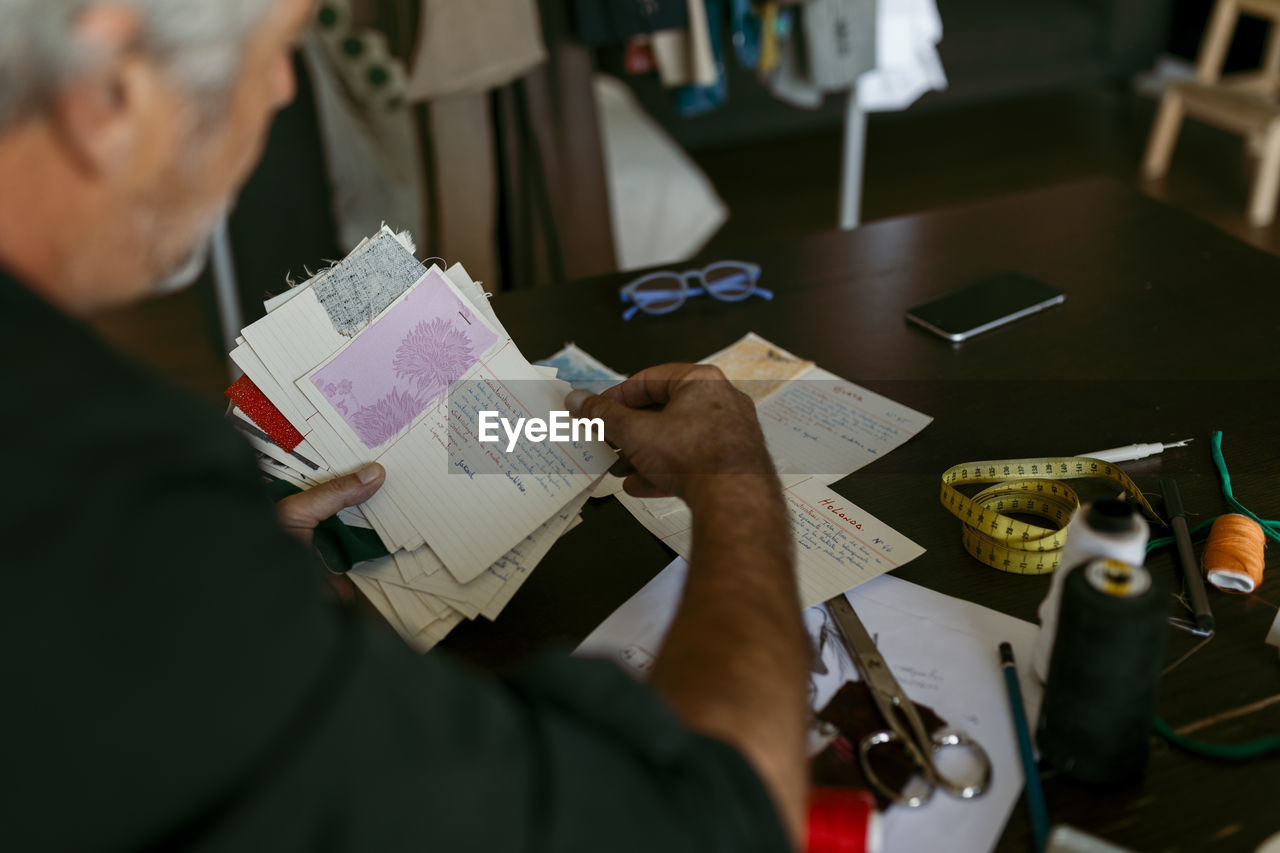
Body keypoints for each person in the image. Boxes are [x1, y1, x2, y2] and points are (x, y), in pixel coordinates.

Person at [0, 1, 810, 849]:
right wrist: (731, 475)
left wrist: (226, 590)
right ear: (110, 93)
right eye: (276, 49)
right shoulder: (110, 495)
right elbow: (712, 821)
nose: (282, 90)